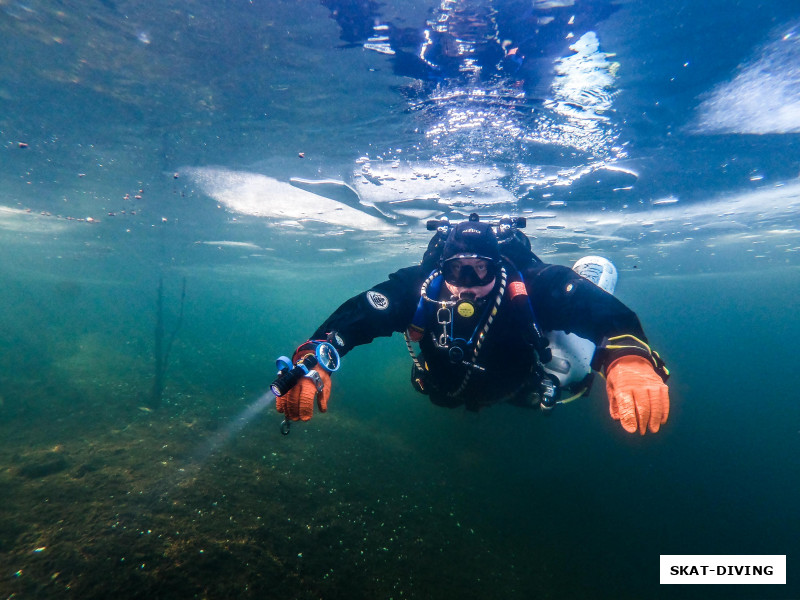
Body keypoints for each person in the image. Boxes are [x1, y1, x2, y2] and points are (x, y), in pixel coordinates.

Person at [274, 214, 670, 435]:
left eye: (480, 272)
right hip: (441, 386)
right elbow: (363, 313)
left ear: (498, 269)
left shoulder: (534, 285)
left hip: (521, 385)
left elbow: (601, 312)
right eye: (456, 272)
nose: (467, 286)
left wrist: (627, 359)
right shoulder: (419, 287)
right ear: (440, 268)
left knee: (569, 371)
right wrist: (315, 359)